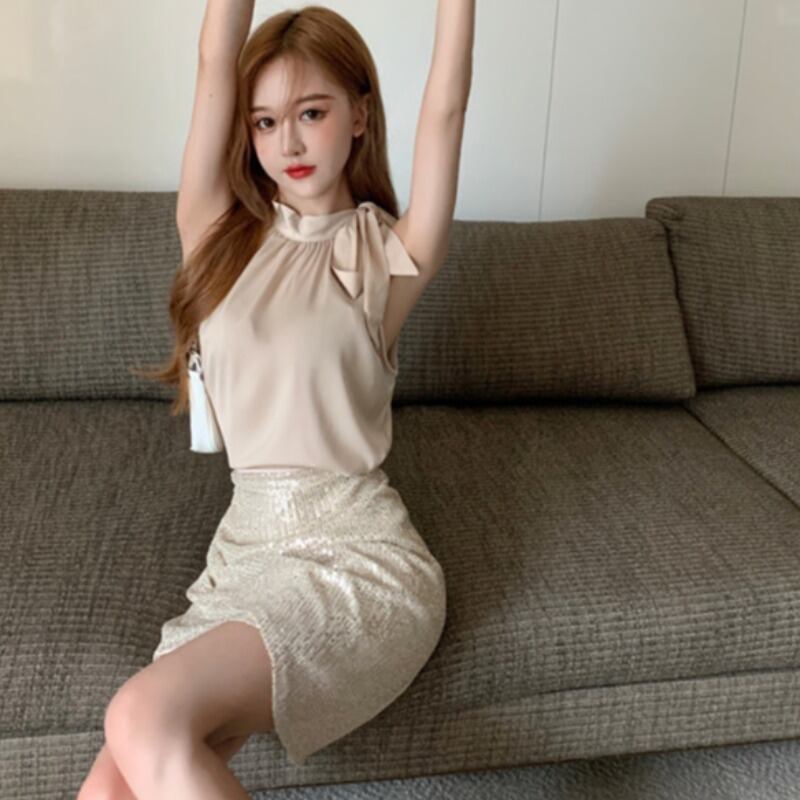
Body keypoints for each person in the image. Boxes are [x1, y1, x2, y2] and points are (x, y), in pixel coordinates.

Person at [78, 0, 473, 796]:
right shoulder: (215, 233)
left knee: (139, 717)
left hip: (357, 559)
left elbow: (446, 108)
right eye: (264, 122)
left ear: (360, 116)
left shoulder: (385, 258)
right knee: (111, 782)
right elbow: (213, 59)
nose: (286, 143)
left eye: (311, 113)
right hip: (243, 555)